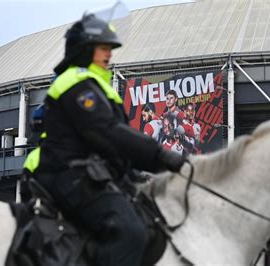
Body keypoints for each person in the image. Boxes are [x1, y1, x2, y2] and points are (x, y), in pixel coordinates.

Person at [30, 13, 184, 266]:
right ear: (84, 50)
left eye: (110, 48)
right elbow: (106, 132)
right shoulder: (76, 83)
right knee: (131, 232)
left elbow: (113, 146)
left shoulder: (96, 85)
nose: (109, 53)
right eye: (103, 47)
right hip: (71, 175)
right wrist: (160, 155)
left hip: (91, 175)